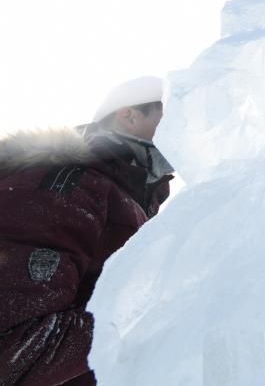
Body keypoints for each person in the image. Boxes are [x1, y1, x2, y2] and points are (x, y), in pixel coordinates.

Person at [0, 76, 174, 386]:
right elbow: (15, 343)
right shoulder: (64, 182)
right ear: (129, 115)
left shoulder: (130, 200)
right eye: (174, 114)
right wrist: (163, 317)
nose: (192, 126)